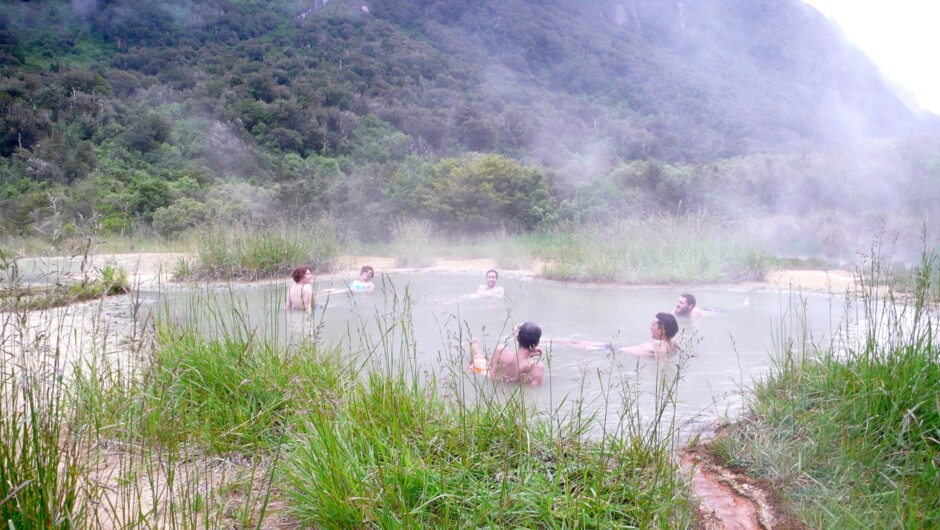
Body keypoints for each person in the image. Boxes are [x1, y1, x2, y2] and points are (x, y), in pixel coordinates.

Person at [552, 312, 680, 359]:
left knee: (573, 343)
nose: (650, 328)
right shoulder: (674, 343)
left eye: (653, 325)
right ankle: (542, 340)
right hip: (616, 348)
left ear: (662, 330)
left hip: (614, 352)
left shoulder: (659, 345)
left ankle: (540, 341)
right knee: (574, 342)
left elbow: (661, 368)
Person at [483, 322, 545, 386]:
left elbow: (490, 368)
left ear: (517, 337)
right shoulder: (536, 367)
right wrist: (530, 350)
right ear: (538, 342)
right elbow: (534, 391)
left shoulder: (500, 350)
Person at [674, 292, 749, 320]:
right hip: (706, 309)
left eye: (681, 302)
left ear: (690, 306)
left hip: (717, 312)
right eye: (678, 301)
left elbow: (691, 326)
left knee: (732, 310)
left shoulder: (694, 313)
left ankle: (743, 305)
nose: (678, 304)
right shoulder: (678, 308)